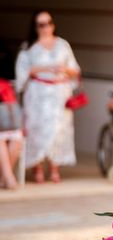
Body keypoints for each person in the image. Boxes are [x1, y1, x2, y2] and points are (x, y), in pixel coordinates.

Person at [15, 10, 81, 183]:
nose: (46, 27)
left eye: (49, 23)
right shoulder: (29, 47)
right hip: (37, 94)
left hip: (59, 94)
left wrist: (64, 69)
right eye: (41, 24)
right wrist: (43, 69)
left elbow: (75, 70)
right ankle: (37, 167)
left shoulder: (62, 45)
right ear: (35, 27)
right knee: (36, 129)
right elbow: (22, 73)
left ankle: (54, 167)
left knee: (59, 130)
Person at [0, 78, 22, 189]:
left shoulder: (4, 84)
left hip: (6, 124)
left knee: (17, 138)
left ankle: (4, 178)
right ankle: (9, 178)